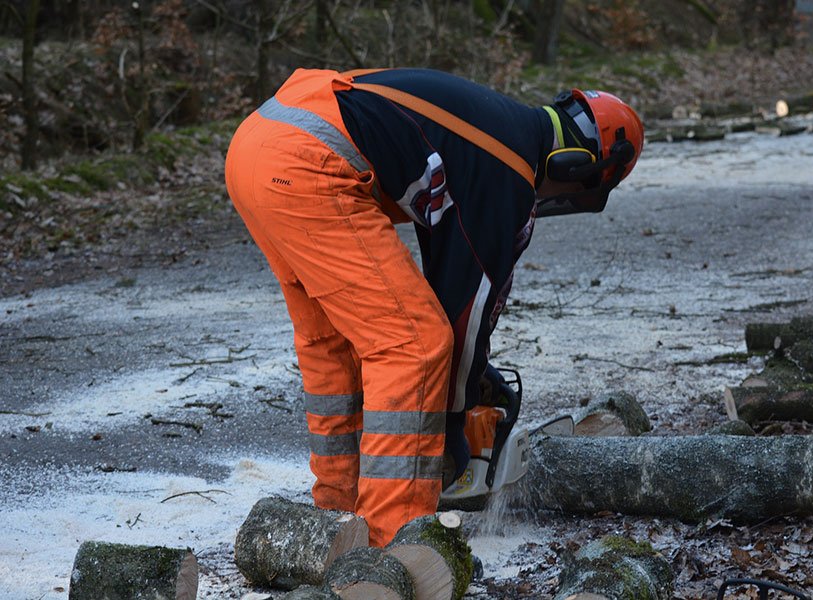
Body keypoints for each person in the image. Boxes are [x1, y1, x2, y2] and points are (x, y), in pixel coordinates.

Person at [224, 67, 643, 547]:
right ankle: (393, 544)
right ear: (580, 167)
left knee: (334, 345)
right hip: (310, 162)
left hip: (258, 146)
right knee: (414, 346)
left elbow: (450, 283)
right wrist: (454, 413)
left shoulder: (494, 126)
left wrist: (469, 383)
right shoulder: (508, 168)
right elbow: (465, 311)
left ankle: (335, 519)